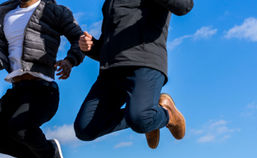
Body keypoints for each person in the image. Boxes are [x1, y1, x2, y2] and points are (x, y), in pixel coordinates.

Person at [74, 0, 193, 149]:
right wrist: (91, 47)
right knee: (85, 128)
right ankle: (151, 113)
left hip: (144, 62)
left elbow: (185, 6)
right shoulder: (109, 3)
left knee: (140, 118)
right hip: (111, 71)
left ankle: (167, 115)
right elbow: (108, 44)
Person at [0, 0, 84, 158]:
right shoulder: (5, 13)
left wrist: (70, 61)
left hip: (42, 90)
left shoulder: (54, 11)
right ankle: (46, 155)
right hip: (16, 90)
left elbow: (79, 39)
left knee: (19, 127)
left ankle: (48, 153)